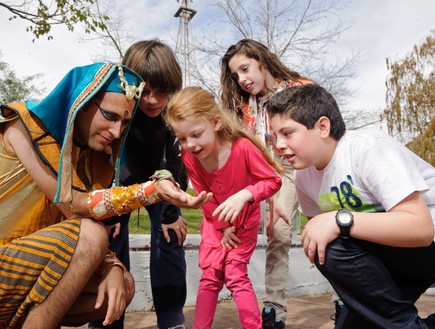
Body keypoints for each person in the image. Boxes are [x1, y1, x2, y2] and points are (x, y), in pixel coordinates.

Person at [0, 62, 211, 329]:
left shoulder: (95, 161)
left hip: (24, 269)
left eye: (124, 122)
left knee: (123, 284)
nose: (116, 132)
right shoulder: (25, 126)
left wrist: (113, 267)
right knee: (92, 235)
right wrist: (152, 190)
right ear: (82, 102)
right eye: (110, 116)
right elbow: (73, 206)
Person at [267, 83, 435, 329]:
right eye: (274, 136)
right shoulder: (304, 176)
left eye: (287, 133)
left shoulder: (365, 148)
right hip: (389, 256)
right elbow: (325, 243)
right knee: (323, 241)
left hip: (426, 246)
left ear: (323, 127)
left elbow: (421, 229)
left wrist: (340, 219)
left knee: (332, 235)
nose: (278, 144)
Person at [89, 39, 188, 329]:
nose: (152, 100)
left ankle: (171, 318)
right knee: (109, 238)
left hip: (163, 180)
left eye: (162, 92)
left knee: (170, 234)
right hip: (120, 181)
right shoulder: (117, 107)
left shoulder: (175, 114)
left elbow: (179, 164)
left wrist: (172, 212)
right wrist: (106, 212)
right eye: (145, 91)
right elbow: (102, 157)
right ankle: (106, 319)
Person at [165, 86, 282, 329]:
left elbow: (272, 181)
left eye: (196, 134)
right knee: (210, 277)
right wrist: (222, 226)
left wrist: (246, 195)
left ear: (216, 122)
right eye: (183, 139)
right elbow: (203, 196)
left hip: (245, 223)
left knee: (236, 276)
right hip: (215, 225)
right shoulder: (190, 158)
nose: (190, 144)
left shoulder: (242, 148)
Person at [220, 38, 314, 329]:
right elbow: (252, 156)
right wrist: (269, 199)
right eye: (236, 75)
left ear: (262, 60)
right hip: (273, 173)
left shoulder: (302, 88)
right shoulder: (245, 108)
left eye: (246, 69)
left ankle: (346, 300)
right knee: (278, 234)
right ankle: (274, 310)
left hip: (310, 166)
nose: (243, 80)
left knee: (330, 233)